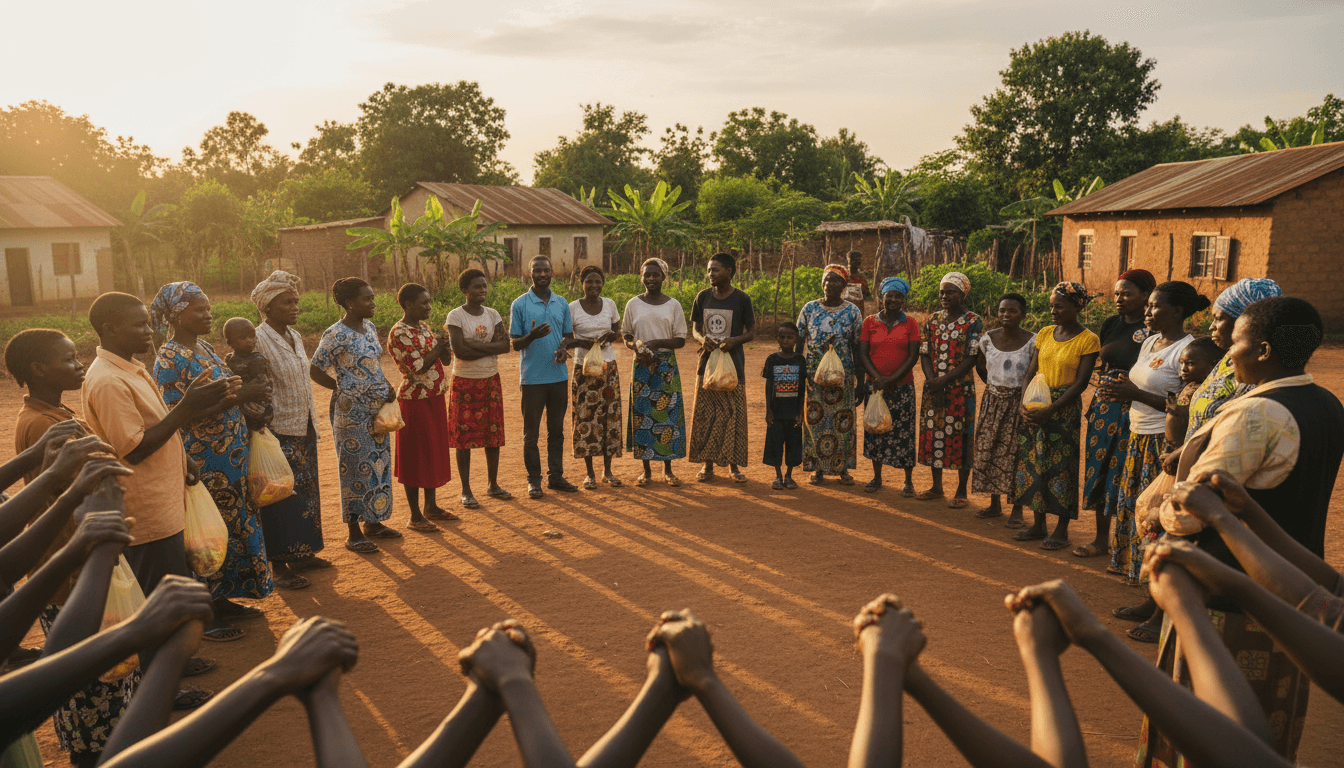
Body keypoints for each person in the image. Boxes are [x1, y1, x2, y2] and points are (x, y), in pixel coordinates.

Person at [1139, 296, 1344, 765]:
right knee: (1269, 725)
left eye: (1236, 343)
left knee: (1204, 730)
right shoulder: (1328, 404)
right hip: (1289, 597)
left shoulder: (1255, 414)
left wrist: (1156, 516)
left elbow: (1194, 509)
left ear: (1264, 350)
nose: (1228, 353)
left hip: (1224, 601)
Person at [82, 293, 234, 598]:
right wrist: (188, 407)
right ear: (110, 329)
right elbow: (134, 449)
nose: (149, 331)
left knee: (177, 593)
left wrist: (182, 459)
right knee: (164, 606)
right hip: (147, 515)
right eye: (139, 325)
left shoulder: (130, 368)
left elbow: (154, 425)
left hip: (165, 503)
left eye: (149, 323)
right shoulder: (109, 381)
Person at [151, 281, 274, 640]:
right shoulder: (170, 358)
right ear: (176, 314)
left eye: (208, 308)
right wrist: (239, 398)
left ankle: (223, 599)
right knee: (206, 534)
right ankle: (205, 611)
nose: (208, 314)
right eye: (199, 310)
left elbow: (224, 389)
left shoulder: (202, 347)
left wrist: (246, 401)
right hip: (203, 458)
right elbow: (176, 412)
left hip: (230, 455)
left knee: (232, 526)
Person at [1100, 281, 1207, 597]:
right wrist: (1124, 388)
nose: (1147, 311)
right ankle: (1134, 568)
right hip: (1136, 434)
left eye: (1154, 306)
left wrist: (1134, 393)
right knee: (1134, 503)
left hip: (1162, 440)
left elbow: (1182, 405)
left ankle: (1154, 577)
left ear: (1175, 312)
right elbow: (1143, 385)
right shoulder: (1149, 343)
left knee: (1154, 510)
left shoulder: (1188, 350)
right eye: (1147, 306)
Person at [250, 271, 328, 590]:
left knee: (306, 494)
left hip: (304, 425)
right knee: (279, 497)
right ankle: (279, 566)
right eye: (286, 302)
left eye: (296, 301)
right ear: (267, 307)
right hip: (278, 430)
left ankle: (302, 553)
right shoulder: (257, 338)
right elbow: (254, 384)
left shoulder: (294, 336)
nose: (294, 307)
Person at [310, 278, 398, 554]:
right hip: (352, 414)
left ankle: (374, 523)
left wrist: (386, 386)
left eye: (373, 297)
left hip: (377, 409)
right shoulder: (335, 334)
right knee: (353, 469)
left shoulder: (369, 328)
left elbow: (372, 365)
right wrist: (341, 389)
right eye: (367, 299)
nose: (373, 303)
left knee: (378, 464)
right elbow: (315, 369)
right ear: (350, 303)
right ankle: (353, 532)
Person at [1163, 278, 1282, 474]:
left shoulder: (1255, 373)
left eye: (1219, 319)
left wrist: (1183, 453)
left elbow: (1232, 429)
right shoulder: (1228, 358)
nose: (1211, 326)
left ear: (1243, 323)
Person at [1078, 269, 1154, 556]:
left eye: (1127, 293)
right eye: (1117, 293)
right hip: (1104, 407)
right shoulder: (1111, 323)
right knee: (1099, 468)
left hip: (1134, 407)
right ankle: (1100, 540)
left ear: (1146, 296)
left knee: (1124, 472)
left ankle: (1128, 544)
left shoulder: (1153, 331)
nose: (1119, 299)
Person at [444, 269, 513, 510]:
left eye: (484, 286)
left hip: (490, 379)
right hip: (464, 381)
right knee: (464, 437)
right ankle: (466, 490)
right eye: (476, 287)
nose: (482, 290)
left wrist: (473, 343)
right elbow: (459, 351)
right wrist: (489, 347)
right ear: (464, 290)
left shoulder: (493, 314)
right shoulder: (456, 316)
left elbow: (506, 346)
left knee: (492, 434)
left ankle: (493, 484)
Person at [509, 256, 577, 499]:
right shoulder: (520, 305)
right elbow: (515, 344)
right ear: (530, 273)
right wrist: (532, 336)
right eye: (537, 270)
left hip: (558, 376)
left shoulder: (561, 303)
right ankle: (534, 481)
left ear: (552, 272)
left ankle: (556, 477)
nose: (542, 274)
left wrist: (563, 349)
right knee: (531, 434)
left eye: (546, 270)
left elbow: (569, 335)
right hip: (532, 380)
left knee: (556, 431)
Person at [387, 283, 453, 532]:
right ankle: (415, 515)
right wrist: (437, 348)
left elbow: (439, 360)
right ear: (408, 305)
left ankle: (431, 507)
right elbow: (416, 367)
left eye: (429, 302)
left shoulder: (421, 328)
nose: (429, 307)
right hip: (414, 400)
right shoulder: (399, 332)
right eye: (423, 303)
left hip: (433, 396)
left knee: (432, 452)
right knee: (416, 456)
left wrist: (445, 349)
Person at [916, 271, 982, 506]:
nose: (944, 296)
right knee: (935, 432)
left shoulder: (973, 320)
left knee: (961, 435)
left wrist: (944, 380)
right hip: (934, 387)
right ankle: (937, 487)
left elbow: (971, 358)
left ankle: (961, 491)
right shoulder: (932, 320)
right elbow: (925, 352)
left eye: (950, 292)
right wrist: (932, 380)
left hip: (960, 389)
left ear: (962, 295)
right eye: (942, 292)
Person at [689, 253, 755, 482]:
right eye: (709, 270)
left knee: (733, 415)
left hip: (733, 367)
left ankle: (733, 467)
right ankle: (707, 466)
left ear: (729, 271)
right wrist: (701, 340)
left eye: (715, 270)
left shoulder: (742, 299)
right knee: (707, 415)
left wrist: (734, 341)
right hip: (707, 366)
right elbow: (695, 329)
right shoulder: (703, 297)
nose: (710, 274)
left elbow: (752, 331)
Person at [623, 258, 688, 486]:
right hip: (641, 366)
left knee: (667, 416)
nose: (650, 278)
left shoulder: (673, 305)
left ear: (664, 277)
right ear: (641, 277)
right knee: (643, 417)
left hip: (665, 367)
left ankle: (668, 470)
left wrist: (655, 343)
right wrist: (636, 348)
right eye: (646, 275)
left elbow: (680, 340)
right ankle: (646, 471)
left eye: (655, 274)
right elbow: (627, 335)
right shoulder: (633, 304)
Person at [797, 264, 862, 485]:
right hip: (814, 378)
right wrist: (799, 374)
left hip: (842, 379)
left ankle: (842, 468)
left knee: (844, 422)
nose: (828, 285)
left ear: (843, 285)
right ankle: (817, 468)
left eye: (834, 281)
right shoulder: (809, 309)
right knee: (815, 421)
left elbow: (858, 348)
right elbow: (799, 343)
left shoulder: (852, 312)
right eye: (825, 280)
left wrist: (859, 382)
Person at [971, 294, 1033, 522]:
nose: (1006, 315)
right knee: (990, 449)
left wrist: (1019, 398)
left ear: (1023, 315)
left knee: (1016, 454)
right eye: (1002, 311)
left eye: (1012, 311)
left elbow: (1034, 373)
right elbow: (981, 367)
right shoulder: (988, 339)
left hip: (1019, 402)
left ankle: (1017, 509)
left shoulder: (1032, 341)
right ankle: (994, 504)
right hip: (992, 401)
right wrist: (994, 388)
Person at [858, 276, 921, 495]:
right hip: (875, 387)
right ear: (881, 298)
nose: (893, 300)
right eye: (889, 296)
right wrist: (879, 379)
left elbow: (913, 357)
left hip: (903, 386)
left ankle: (908, 481)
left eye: (898, 296)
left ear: (903, 299)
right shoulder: (869, 322)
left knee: (904, 432)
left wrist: (892, 380)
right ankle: (877, 477)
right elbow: (863, 354)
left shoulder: (911, 323)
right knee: (875, 429)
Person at [565, 266, 623, 489]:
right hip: (584, 369)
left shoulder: (609, 304)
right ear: (581, 282)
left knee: (610, 417)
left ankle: (608, 471)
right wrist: (585, 343)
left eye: (598, 281)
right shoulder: (572, 308)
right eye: (589, 281)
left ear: (603, 283)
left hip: (608, 368)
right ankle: (589, 473)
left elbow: (616, 330)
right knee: (586, 418)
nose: (594, 286)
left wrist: (610, 336)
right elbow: (567, 339)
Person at [762, 322, 805, 490]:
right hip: (776, 411)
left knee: (793, 444)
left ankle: (789, 475)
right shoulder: (772, 359)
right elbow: (768, 386)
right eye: (782, 337)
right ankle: (778, 476)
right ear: (777, 338)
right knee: (775, 443)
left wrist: (801, 411)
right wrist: (768, 410)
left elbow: (802, 388)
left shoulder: (800, 360)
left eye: (789, 337)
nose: (785, 340)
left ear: (796, 339)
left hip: (793, 411)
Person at [1162, 337, 1221, 454]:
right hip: (1173, 447)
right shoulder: (1190, 385)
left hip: (1188, 449)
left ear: (1212, 365)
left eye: (1190, 364)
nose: (1183, 369)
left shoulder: (1208, 391)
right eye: (1181, 363)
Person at [221, 318, 273, 432]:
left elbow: (261, 389)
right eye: (243, 338)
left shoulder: (257, 360)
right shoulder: (229, 360)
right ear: (230, 343)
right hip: (236, 406)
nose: (250, 341)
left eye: (252, 336)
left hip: (255, 408)